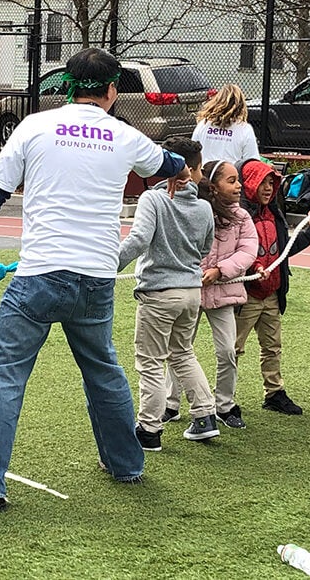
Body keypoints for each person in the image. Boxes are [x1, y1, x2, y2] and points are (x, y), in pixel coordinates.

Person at [0, 48, 190, 511]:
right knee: (103, 372)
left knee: (3, 375)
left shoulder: (33, 126)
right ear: (112, 90)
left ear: (67, 85)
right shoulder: (123, 135)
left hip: (40, 275)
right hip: (96, 280)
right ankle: (127, 465)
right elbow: (168, 164)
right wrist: (180, 167)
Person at [117, 137, 218, 451]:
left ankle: (149, 429)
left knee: (150, 361)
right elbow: (205, 248)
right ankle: (205, 417)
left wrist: (107, 263)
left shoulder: (153, 199)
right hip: (190, 291)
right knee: (182, 353)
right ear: (193, 169)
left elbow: (139, 240)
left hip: (160, 292)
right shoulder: (203, 207)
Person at [165, 159, 258, 429]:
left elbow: (248, 250)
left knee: (228, 350)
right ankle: (171, 404)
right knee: (179, 349)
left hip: (224, 293)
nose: (239, 185)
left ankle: (225, 405)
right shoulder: (195, 209)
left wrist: (220, 270)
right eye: (231, 180)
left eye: (238, 179)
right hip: (190, 291)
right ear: (214, 185)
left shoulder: (241, 217)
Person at [235, 158, 310, 416]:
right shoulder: (239, 217)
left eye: (272, 182)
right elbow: (232, 252)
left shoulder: (275, 214)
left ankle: (274, 393)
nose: (268, 188)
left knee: (272, 346)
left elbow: (282, 252)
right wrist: (252, 270)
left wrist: (309, 234)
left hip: (272, 293)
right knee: (233, 349)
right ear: (249, 183)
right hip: (246, 295)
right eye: (263, 182)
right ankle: (223, 398)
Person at [191, 84, 260, 164]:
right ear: (241, 105)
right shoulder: (245, 129)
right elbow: (252, 161)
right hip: (230, 174)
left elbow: (193, 152)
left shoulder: (203, 124)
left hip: (204, 173)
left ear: (216, 100)